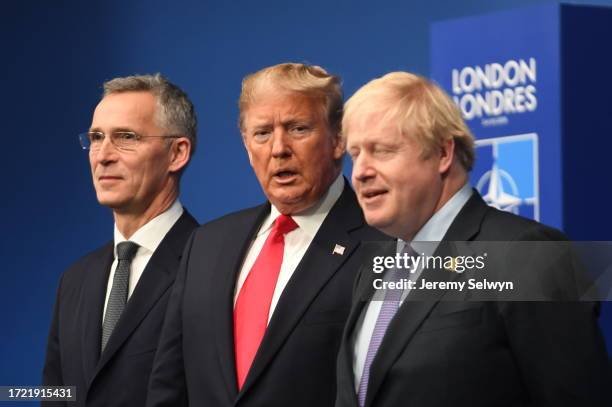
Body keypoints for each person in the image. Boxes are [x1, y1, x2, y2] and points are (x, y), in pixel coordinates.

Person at [335, 71, 612, 407]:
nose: (361, 171)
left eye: (381, 151)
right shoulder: (373, 269)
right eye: (355, 154)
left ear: (442, 154)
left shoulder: (522, 254)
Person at [147, 63, 388, 407]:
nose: (278, 149)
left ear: (338, 138)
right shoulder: (206, 245)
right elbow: (168, 387)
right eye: (262, 133)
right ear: (246, 144)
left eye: (298, 129)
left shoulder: (388, 245)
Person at [42, 74, 199, 407]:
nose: (103, 155)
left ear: (177, 153)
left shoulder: (212, 266)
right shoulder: (74, 280)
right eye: (96, 137)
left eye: (125, 137)